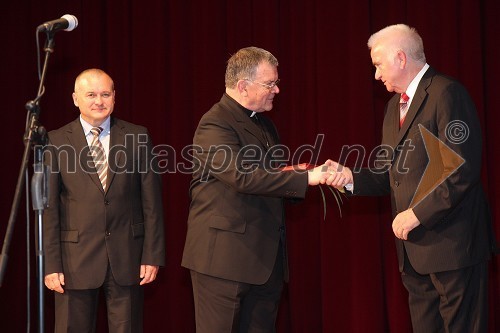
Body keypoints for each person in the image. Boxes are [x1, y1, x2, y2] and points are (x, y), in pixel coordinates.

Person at [328, 24, 496, 332]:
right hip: (413, 252)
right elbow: (388, 173)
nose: (376, 75)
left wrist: (416, 214)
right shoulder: (395, 106)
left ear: (401, 58)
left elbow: (461, 169)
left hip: (454, 245)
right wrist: (348, 177)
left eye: (378, 64)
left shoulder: (447, 93)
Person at [181, 46, 334, 333]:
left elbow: (268, 177)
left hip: (264, 262)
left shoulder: (265, 124)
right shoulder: (215, 122)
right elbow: (242, 176)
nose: (277, 89)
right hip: (224, 262)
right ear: (242, 86)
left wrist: (296, 173)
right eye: (270, 83)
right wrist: (305, 179)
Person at [43, 68, 165, 332]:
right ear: (75, 99)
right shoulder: (55, 141)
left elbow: (152, 204)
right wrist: (50, 264)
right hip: (73, 260)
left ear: (114, 97)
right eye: (91, 94)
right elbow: (50, 208)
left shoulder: (137, 136)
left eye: (105, 94)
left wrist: (152, 255)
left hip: (127, 258)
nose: (99, 101)